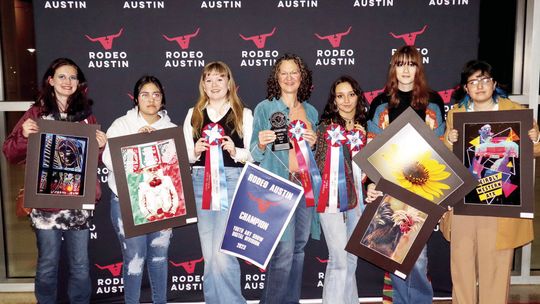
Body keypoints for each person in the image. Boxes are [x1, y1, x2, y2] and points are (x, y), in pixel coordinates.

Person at [2, 57, 107, 304]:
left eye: (73, 77)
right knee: (48, 264)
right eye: (61, 76)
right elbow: (11, 152)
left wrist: (100, 147)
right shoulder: (36, 114)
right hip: (45, 204)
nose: (67, 82)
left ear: (79, 83)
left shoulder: (86, 117)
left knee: (80, 265)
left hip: (77, 204)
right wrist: (25, 136)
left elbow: (93, 161)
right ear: (50, 81)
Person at [442, 60, 540, 304]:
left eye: (485, 80)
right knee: (461, 266)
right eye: (473, 81)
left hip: (501, 203)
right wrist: (448, 139)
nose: (480, 86)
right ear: (466, 88)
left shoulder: (515, 111)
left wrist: (535, 138)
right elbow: (447, 157)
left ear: (494, 83)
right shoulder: (457, 114)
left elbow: (534, 150)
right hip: (465, 203)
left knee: (495, 269)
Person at [365, 45, 445, 304]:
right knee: (397, 253)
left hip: (424, 188)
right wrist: (370, 183)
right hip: (391, 190)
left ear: (418, 68)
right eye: (401, 64)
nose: (406, 69)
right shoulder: (380, 104)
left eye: (411, 64)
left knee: (418, 257)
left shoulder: (433, 102)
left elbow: (441, 147)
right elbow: (372, 147)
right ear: (394, 68)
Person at [251, 53, 318, 304]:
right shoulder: (265, 108)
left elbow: (315, 154)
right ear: (276, 78)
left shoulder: (310, 111)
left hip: (304, 185)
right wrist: (259, 142)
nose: (289, 78)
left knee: (299, 249)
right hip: (278, 187)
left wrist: (315, 141)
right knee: (283, 251)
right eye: (284, 73)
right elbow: (254, 153)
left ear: (302, 77)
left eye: (294, 72)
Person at [102, 75, 176, 304]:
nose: (151, 99)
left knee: (159, 258)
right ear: (136, 98)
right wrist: (136, 142)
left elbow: (177, 168)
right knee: (134, 259)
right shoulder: (121, 125)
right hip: (127, 202)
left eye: (156, 94)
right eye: (145, 94)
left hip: (161, 202)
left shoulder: (171, 129)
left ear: (162, 99)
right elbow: (107, 159)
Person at [183, 61, 252, 304]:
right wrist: (195, 152)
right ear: (203, 84)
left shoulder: (244, 113)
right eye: (209, 79)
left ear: (229, 83)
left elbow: (253, 155)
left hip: (232, 182)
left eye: (219, 78)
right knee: (209, 255)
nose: (214, 84)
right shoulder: (193, 114)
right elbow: (184, 155)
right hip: (201, 182)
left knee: (223, 253)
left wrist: (236, 151)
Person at [314, 75, 368, 304]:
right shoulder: (326, 129)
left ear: (358, 98)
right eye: (340, 96)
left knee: (352, 259)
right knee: (339, 259)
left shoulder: (365, 127)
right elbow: (318, 163)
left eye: (351, 94)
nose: (346, 100)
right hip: (331, 195)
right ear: (334, 101)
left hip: (360, 195)